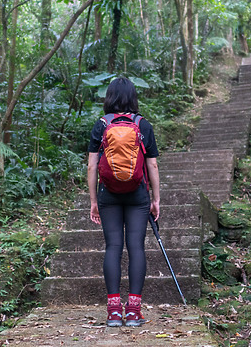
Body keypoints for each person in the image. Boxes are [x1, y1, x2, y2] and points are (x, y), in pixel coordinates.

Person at [87, 77, 160, 327]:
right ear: (133, 98)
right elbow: (152, 164)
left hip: (108, 193)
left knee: (113, 247)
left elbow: (91, 166)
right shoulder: (143, 125)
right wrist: (156, 200)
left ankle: (114, 312)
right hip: (138, 194)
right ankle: (133, 312)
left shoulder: (101, 125)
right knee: (136, 247)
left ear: (109, 97)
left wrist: (94, 201)